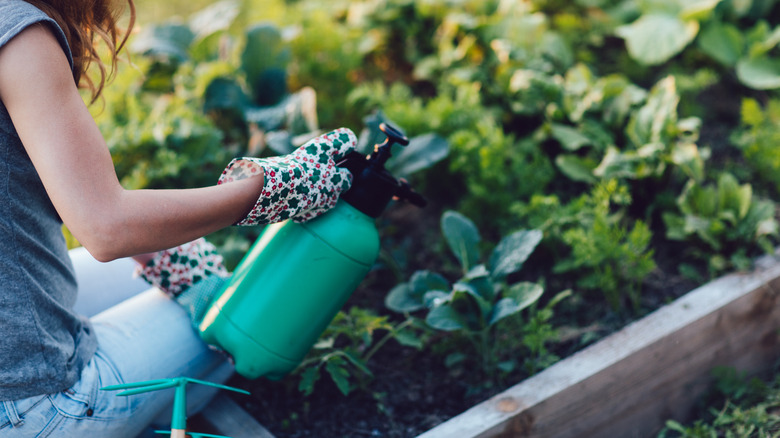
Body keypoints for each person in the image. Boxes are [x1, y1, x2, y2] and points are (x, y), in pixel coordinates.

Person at [0, 0, 356, 436]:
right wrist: (270, 189)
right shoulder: (18, 33)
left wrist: (160, 253)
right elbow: (106, 228)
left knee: (211, 285)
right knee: (239, 326)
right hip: (28, 405)